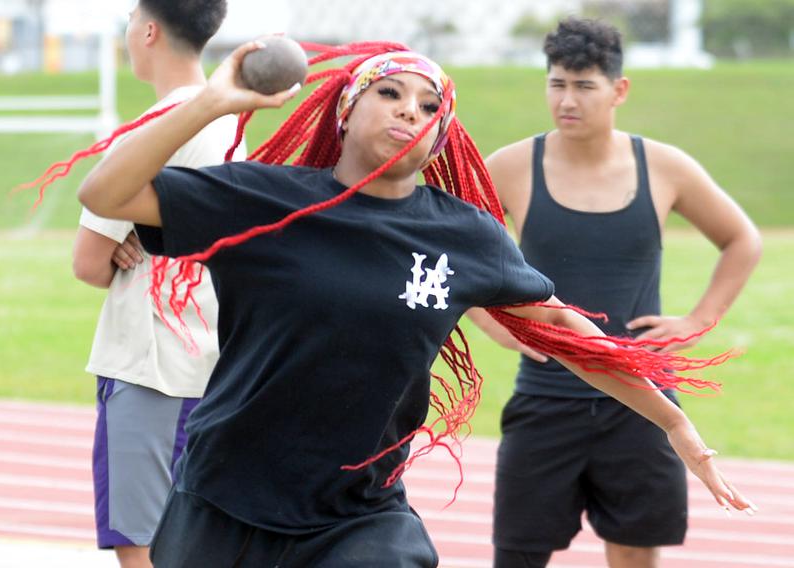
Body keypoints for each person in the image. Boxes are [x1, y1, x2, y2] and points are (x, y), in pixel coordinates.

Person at [43, 39, 752, 568]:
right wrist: (214, 101)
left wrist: (673, 424)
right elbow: (102, 195)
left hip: (359, 517)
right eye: (391, 95)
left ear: (442, 136)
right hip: (227, 500)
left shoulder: (465, 234)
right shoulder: (261, 200)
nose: (410, 111)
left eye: (429, 106)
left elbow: (569, 335)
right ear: (348, 109)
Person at [470, 17, 762, 568]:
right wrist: (495, 326)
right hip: (545, 398)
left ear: (618, 89)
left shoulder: (663, 167)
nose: (567, 100)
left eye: (584, 85)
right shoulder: (510, 167)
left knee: (632, 552)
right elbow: (459, 256)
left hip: (642, 402)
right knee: (518, 553)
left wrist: (699, 319)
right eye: (557, 84)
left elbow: (741, 239)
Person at [70, 1, 243, 567]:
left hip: (156, 365)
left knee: (142, 545)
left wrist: (125, 247)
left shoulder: (154, 131)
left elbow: (89, 263)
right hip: (221, 361)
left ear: (147, 31)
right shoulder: (233, 119)